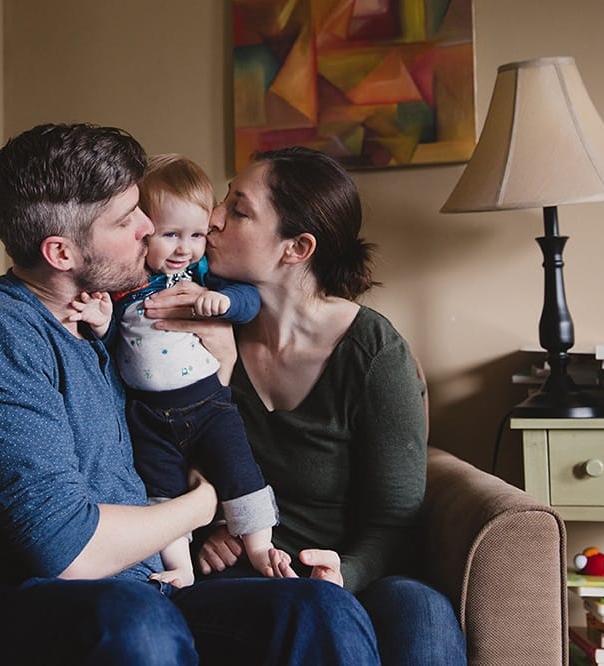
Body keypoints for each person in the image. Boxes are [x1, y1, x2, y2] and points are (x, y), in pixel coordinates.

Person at [0, 124, 380, 665]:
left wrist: (222, 366)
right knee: (139, 625)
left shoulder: (102, 323)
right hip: (50, 601)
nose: (148, 228)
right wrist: (208, 502)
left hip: (151, 587)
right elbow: (66, 550)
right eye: (126, 219)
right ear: (61, 252)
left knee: (319, 607)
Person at [143, 146, 468, 665]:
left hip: (345, 569)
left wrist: (343, 571)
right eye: (223, 200)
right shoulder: (196, 321)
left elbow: (394, 521)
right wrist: (211, 531)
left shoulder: (373, 353)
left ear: (296, 248)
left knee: (421, 611)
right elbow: (160, 451)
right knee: (310, 609)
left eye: (240, 209)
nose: (214, 218)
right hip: (243, 576)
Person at [71, 154, 283, 587]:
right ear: (144, 231)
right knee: (161, 491)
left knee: (239, 469)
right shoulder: (124, 282)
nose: (184, 248)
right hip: (148, 415)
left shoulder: (198, 274)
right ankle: (180, 567)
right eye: (170, 235)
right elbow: (116, 345)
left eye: (196, 235)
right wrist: (101, 323)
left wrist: (223, 303)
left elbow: (249, 300)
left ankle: (262, 546)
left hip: (207, 400)